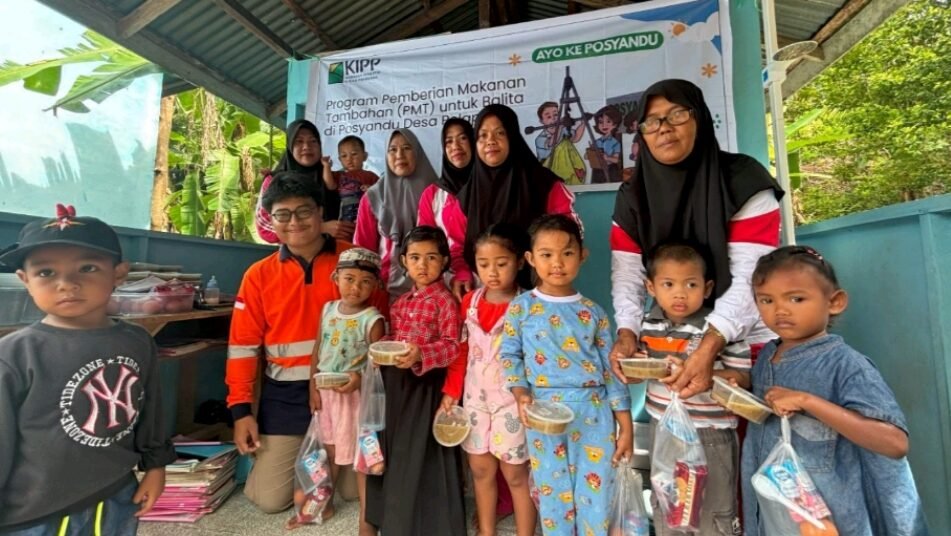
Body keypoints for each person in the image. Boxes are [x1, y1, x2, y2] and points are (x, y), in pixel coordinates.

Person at [0, 205, 176, 534]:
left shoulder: (136, 340)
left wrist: (156, 466)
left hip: (115, 494)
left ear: (119, 274)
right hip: (35, 512)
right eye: (46, 273)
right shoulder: (15, 354)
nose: (67, 283)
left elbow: (149, 408)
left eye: (87, 267)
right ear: (25, 280)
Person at [610, 79, 784, 400]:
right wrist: (627, 334)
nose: (663, 128)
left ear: (699, 118)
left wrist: (709, 347)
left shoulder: (743, 181)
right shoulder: (633, 196)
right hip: (674, 341)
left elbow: (752, 276)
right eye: (651, 122)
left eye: (676, 114)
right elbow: (628, 276)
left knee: (744, 442)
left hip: (746, 342)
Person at [227, 172, 386, 514]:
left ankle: (320, 469)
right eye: (282, 215)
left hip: (348, 393)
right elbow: (242, 346)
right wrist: (240, 411)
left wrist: (366, 379)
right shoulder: (258, 275)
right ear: (271, 221)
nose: (294, 222)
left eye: (303, 212)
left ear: (320, 213)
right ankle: (306, 462)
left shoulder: (354, 262)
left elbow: (381, 331)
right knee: (270, 500)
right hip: (285, 395)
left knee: (354, 491)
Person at [741, 245, 927, 535]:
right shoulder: (768, 353)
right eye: (766, 300)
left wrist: (808, 402)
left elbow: (895, 443)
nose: (780, 310)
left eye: (797, 298)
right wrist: (737, 381)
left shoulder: (846, 365)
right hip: (775, 513)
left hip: (834, 519)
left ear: (835, 302)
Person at [501, 214, 633, 536]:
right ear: (530, 259)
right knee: (553, 497)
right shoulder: (521, 308)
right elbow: (509, 355)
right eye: (546, 254)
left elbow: (612, 371)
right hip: (543, 414)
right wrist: (521, 395)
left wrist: (625, 426)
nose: (557, 263)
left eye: (567, 253)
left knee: (596, 497)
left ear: (582, 256)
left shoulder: (595, 313)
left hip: (594, 415)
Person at [633, 243, 751, 535]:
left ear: (707, 288)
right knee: (668, 505)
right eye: (668, 284)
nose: (680, 293)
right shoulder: (646, 325)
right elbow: (638, 372)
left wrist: (709, 374)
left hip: (709, 433)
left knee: (712, 513)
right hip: (663, 430)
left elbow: (744, 378)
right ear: (651, 287)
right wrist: (634, 367)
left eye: (691, 284)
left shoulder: (719, 329)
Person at [365, 225, 465, 535]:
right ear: (404, 262)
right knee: (397, 449)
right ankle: (395, 516)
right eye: (415, 257)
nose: (423, 265)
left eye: (432, 257)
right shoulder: (401, 302)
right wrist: (381, 350)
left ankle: (430, 522)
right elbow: (396, 338)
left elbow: (452, 346)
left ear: (445, 262)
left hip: (427, 386)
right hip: (398, 384)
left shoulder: (445, 302)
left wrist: (421, 354)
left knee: (422, 452)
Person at [440, 223, 536, 536]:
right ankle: (486, 530)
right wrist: (451, 392)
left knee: (516, 473)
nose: (492, 272)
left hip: (512, 402)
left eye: (502, 263)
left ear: (520, 262)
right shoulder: (470, 303)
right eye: (484, 265)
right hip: (475, 400)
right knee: (480, 469)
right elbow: (461, 350)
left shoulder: (528, 306)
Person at [458, 104, 580, 290]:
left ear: (513, 137)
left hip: (538, 292)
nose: (490, 141)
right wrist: (463, 273)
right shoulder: (466, 195)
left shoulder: (543, 183)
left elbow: (569, 234)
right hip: (484, 296)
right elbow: (457, 245)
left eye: (500, 133)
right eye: (482, 135)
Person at [310, 247, 385, 535]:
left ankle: (366, 522)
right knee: (327, 453)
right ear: (336, 277)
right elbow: (318, 349)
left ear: (376, 286)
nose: (356, 287)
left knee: (363, 460)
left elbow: (377, 366)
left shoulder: (373, 320)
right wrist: (312, 388)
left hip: (356, 398)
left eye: (365, 282)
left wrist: (359, 379)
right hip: (326, 395)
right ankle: (323, 503)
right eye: (349, 278)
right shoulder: (327, 310)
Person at [354, 129, 437, 301]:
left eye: (407, 148)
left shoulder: (438, 193)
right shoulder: (373, 197)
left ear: (417, 153)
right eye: (392, 150)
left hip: (431, 292)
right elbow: (363, 249)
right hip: (384, 290)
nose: (399, 155)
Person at [255, 119, 351, 243]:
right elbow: (264, 227)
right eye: (299, 141)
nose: (307, 147)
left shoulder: (334, 179)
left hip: (339, 253)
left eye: (313, 141)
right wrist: (320, 228)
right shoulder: (274, 181)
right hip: (293, 256)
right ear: (290, 147)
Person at [418, 117, 476, 299]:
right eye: (448, 141)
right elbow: (425, 244)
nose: (455, 146)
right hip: (446, 286)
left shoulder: (490, 187)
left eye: (463, 138)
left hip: (494, 280)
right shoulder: (432, 194)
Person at [321, 135, 379, 224]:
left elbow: (381, 194)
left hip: (366, 219)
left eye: (354, 154)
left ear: (365, 156)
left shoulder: (371, 176)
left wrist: (371, 189)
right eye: (344, 156)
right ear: (340, 159)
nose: (349, 159)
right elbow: (330, 185)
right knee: (343, 236)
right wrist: (326, 166)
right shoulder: (339, 175)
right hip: (345, 220)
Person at [589, 104, 622, 184]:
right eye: (600, 122)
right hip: (597, 170)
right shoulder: (596, 142)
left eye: (608, 121)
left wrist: (607, 158)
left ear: (614, 124)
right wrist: (589, 154)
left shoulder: (615, 143)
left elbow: (616, 160)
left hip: (610, 170)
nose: (604, 125)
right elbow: (588, 155)